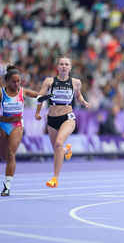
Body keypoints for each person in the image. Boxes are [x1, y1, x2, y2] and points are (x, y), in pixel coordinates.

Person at [35, 56, 89, 188]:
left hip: (68, 117)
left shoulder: (76, 82)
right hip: (52, 118)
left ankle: (55, 178)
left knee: (58, 142)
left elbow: (78, 95)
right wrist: (37, 113)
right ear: (57, 67)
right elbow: (39, 97)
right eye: (61, 64)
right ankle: (67, 149)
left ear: (70, 68)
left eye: (66, 64)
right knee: (57, 149)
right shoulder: (49, 81)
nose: (64, 66)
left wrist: (83, 102)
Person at [0, 65, 38, 196]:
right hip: (2, 126)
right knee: (3, 156)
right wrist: (4, 118)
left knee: (11, 154)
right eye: (13, 81)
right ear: (7, 81)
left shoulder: (23, 92)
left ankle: (7, 186)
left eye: (18, 81)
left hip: (17, 126)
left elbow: (39, 96)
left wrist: (50, 95)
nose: (16, 84)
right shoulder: (1, 93)